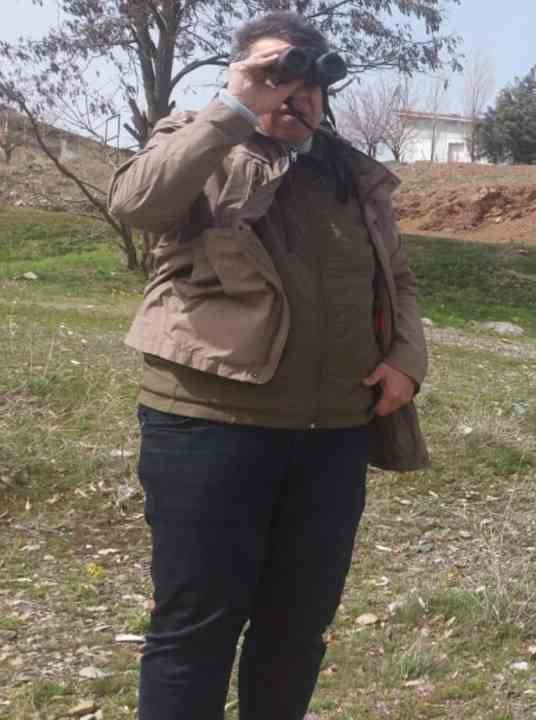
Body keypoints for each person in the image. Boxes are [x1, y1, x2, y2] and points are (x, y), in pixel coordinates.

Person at [107, 11, 429, 718]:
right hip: (210, 426)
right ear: (241, 75)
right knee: (196, 627)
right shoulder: (197, 140)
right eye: (276, 73)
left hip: (333, 433)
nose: (295, 90)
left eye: (309, 77)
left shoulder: (349, 172)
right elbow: (136, 204)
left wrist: (407, 359)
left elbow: (397, 280)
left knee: (296, 630)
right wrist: (234, 107)